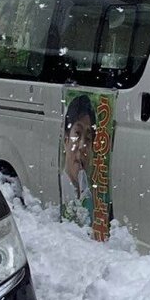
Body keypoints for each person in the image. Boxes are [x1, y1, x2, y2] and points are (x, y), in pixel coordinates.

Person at [60, 93, 96, 225]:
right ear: (66, 140)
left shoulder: (90, 195)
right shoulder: (60, 189)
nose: (82, 146)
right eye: (77, 134)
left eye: (88, 138)